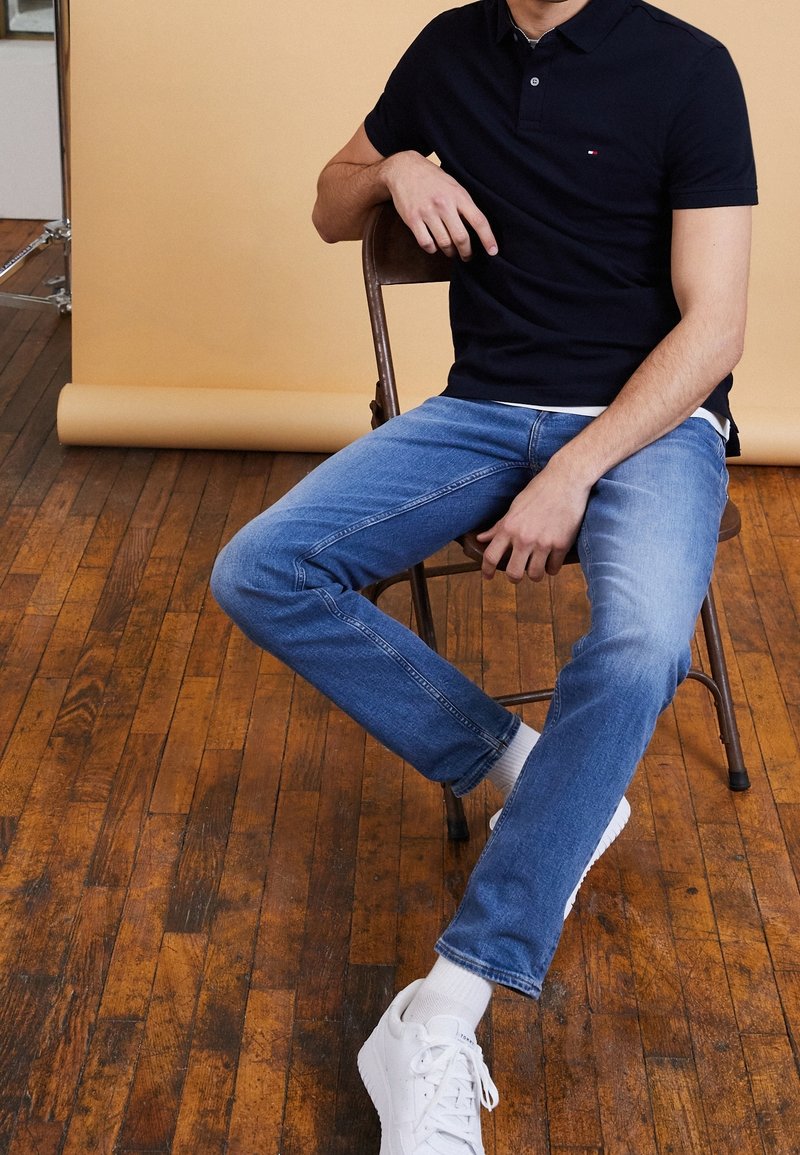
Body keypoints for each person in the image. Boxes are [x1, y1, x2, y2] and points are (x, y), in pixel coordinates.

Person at [211, 0, 757, 1149]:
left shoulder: (688, 67)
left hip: (648, 429)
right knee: (261, 567)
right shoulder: (448, 45)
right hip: (479, 416)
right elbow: (328, 206)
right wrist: (395, 165)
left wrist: (570, 472)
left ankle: (446, 1008)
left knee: (640, 642)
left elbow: (712, 332)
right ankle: (536, 775)